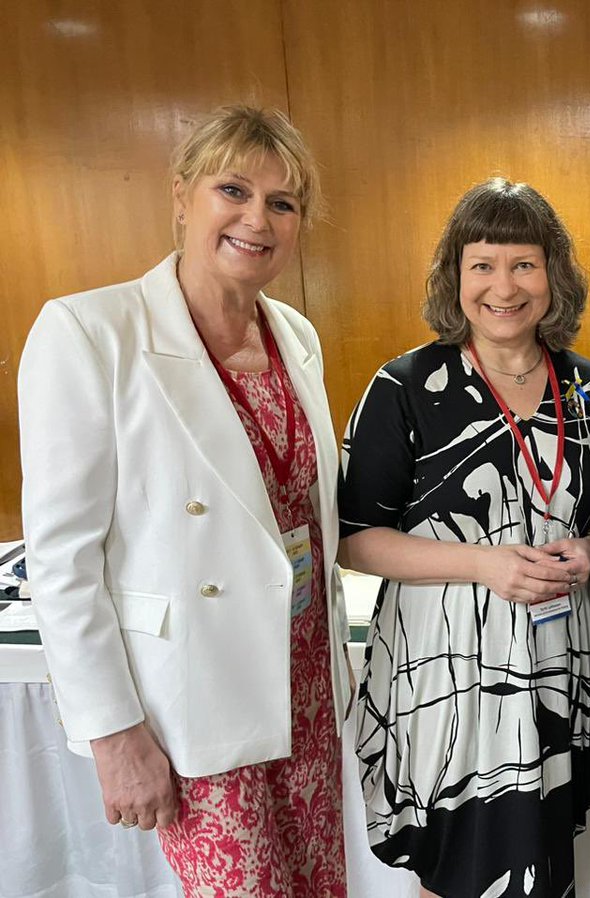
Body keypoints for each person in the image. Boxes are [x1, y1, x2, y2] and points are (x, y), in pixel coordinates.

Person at [18, 105, 351, 895]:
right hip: (194, 703)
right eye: (231, 190)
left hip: (302, 688)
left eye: (282, 202)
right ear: (180, 196)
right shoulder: (92, 333)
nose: (255, 219)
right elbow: (62, 563)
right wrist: (112, 735)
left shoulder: (294, 336)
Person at [339, 177, 590, 898]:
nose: (505, 286)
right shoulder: (405, 386)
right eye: (484, 265)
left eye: (524, 264)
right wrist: (484, 564)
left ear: (554, 276)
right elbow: (356, 539)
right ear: (454, 277)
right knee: (461, 862)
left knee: (542, 862)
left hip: (561, 654)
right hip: (450, 669)